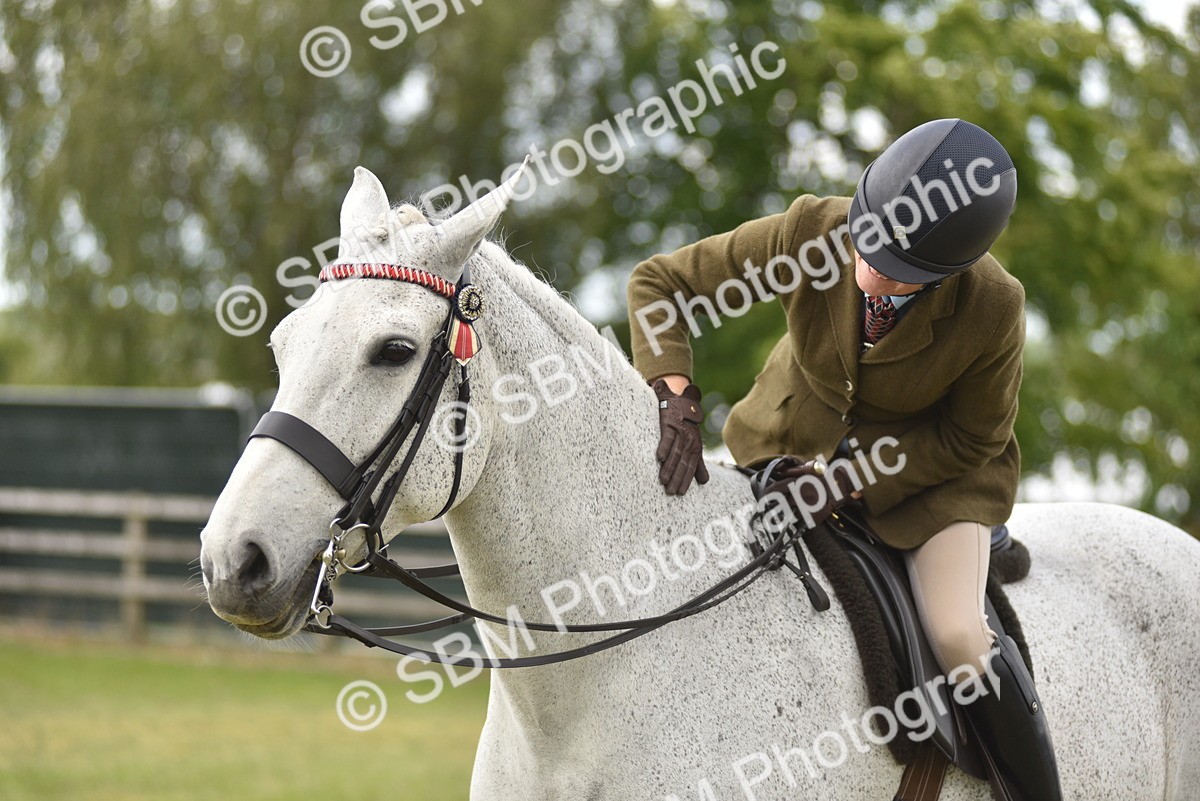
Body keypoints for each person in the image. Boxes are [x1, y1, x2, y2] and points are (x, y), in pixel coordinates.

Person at [627, 118, 1062, 801]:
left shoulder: (994, 305)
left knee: (957, 636)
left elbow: (970, 441)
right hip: (776, 450)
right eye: (868, 242)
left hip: (934, 484)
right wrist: (674, 392)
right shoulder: (810, 230)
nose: (866, 270)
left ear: (946, 274)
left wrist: (848, 480)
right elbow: (661, 282)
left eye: (896, 270)